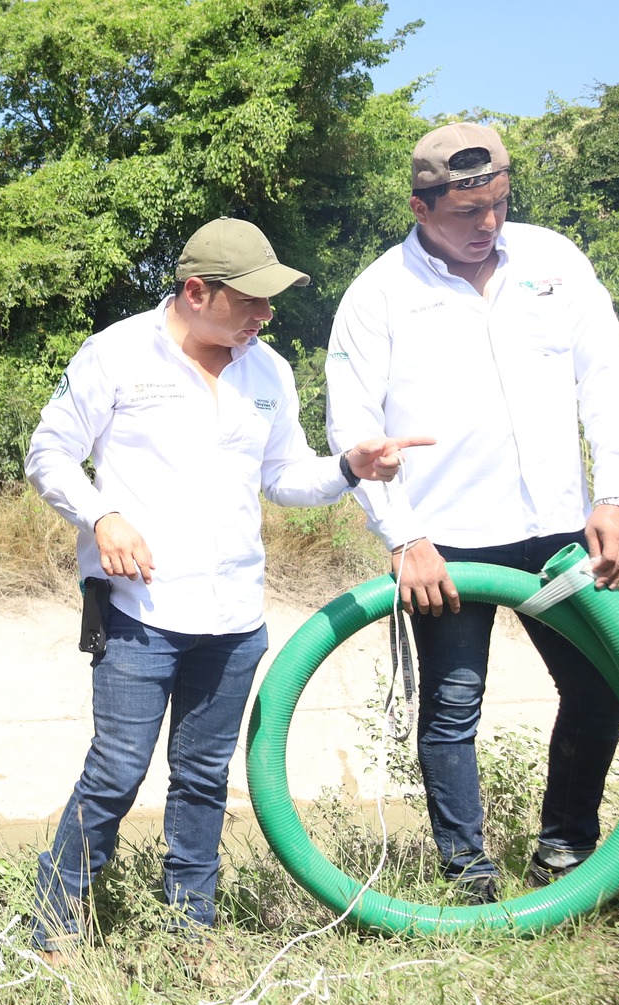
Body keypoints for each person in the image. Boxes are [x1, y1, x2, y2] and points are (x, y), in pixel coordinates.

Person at [25, 219, 427, 949]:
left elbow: (284, 477)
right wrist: (101, 515)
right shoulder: (116, 353)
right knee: (115, 773)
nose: (265, 314)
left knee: (204, 776)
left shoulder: (268, 371)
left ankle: (191, 932)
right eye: (250, 300)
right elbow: (49, 453)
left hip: (235, 617)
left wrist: (349, 467)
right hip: (139, 612)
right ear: (196, 291)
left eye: (269, 301)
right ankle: (52, 929)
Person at [327, 121, 619, 902]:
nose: (489, 224)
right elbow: (353, 427)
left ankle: (566, 854)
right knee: (452, 707)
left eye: (500, 203)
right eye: (467, 212)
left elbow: (607, 378)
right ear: (420, 207)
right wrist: (404, 536)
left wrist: (615, 494)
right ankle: (467, 880)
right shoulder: (379, 293)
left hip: (560, 530)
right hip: (447, 542)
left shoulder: (554, 262)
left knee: (603, 686)